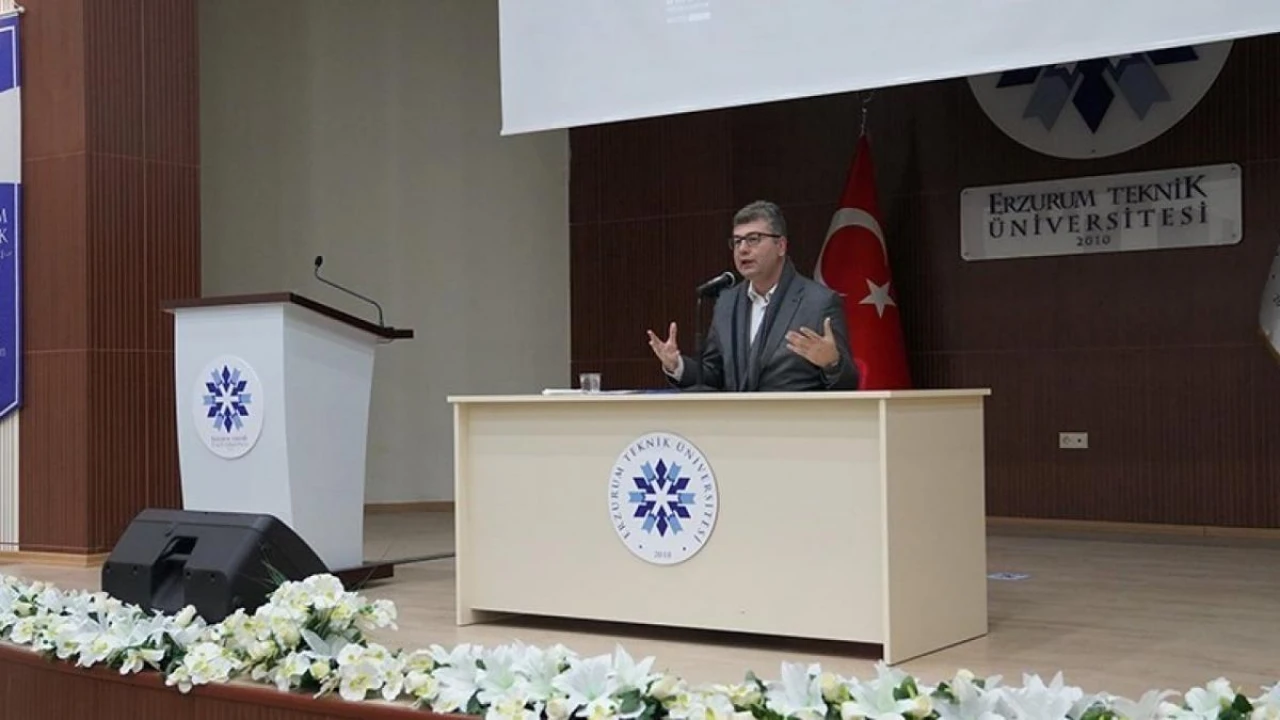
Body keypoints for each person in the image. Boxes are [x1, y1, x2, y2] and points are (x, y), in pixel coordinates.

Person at [647, 200, 860, 392]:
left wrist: (832, 363)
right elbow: (714, 375)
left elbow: (849, 385)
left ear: (781, 246)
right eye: (737, 241)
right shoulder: (727, 303)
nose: (742, 249)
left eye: (753, 239)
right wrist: (677, 366)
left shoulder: (819, 302)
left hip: (794, 421)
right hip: (737, 422)